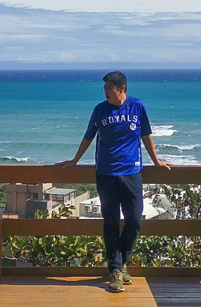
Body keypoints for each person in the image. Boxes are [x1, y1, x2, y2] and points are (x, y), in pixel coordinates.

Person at [56, 71, 172, 293]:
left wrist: (156, 161)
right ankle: (116, 271)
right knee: (110, 222)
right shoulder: (100, 110)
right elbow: (89, 136)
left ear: (122, 89)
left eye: (110, 87)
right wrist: (75, 160)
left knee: (134, 220)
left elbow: (146, 134)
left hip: (131, 173)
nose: (106, 91)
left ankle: (122, 263)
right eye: (105, 88)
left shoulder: (137, 107)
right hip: (106, 174)